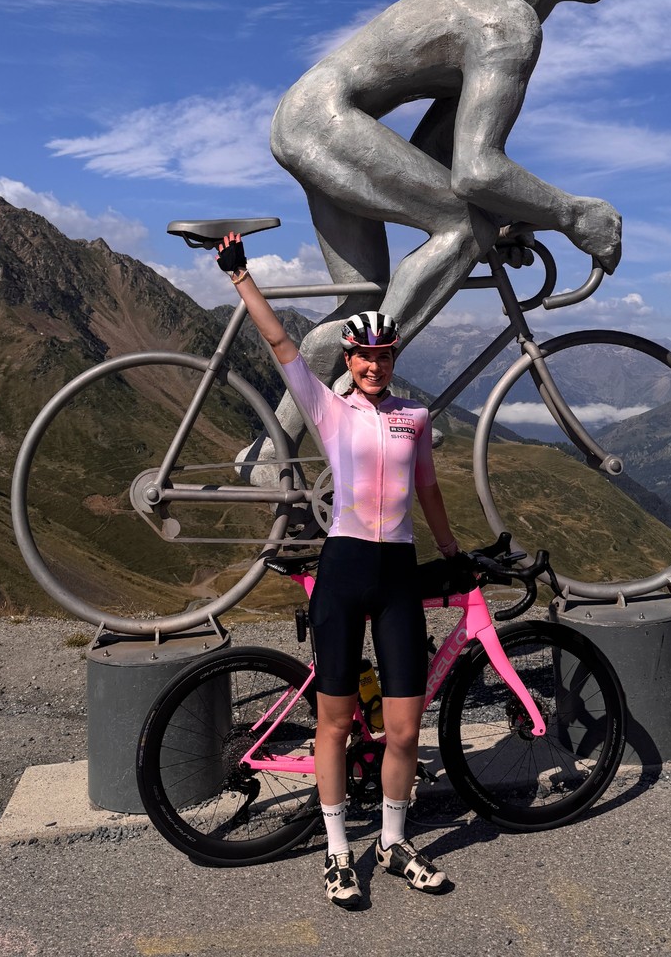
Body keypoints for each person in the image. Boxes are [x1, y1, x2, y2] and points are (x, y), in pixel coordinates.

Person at [265, 0, 623, 454]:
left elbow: (435, 159)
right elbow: (478, 173)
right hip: (323, 121)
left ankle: (268, 457)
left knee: (362, 305)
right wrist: (573, 214)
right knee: (460, 228)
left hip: (310, 117)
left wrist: (508, 217)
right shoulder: (508, 24)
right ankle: (361, 393)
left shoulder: (486, 6)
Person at [217, 231, 459, 908]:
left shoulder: (416, 418)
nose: (371, 365)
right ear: (349, 359)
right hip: (345, 568)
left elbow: (432, 492)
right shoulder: (329, 408)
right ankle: (336, 851)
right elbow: (282, 346)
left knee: (405, 728)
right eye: (362, 355)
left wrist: (451, 550)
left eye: (382, 356)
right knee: (335, 722)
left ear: (391, 358)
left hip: (399, 574)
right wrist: (242, 278)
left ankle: (393, 841)